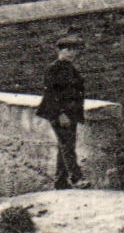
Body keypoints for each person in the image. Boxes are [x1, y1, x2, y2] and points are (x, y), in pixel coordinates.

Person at [35, 33, 88, 189]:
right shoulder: (54, 69)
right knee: (67, 146)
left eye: (74, 50)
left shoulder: (71, 69)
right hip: (59, 114)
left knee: (64, 146)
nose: (72, 53)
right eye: (68, 50)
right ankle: (77, 178)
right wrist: (60, 114)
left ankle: (60, 181)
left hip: (71, 113)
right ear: (60, 51)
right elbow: (51, 94)